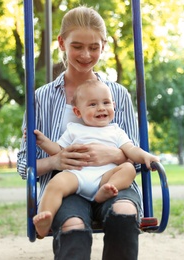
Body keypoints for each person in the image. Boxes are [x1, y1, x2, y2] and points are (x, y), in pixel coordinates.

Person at [17, 6, 144, 259]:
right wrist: (56, 160)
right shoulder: (41, 98)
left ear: (103, 46)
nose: (86, 55)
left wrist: (115, 155)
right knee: (71, 225)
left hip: (112, 181)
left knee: (124, 210)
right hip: (69, 186)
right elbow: (23, 165)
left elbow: (137, 161)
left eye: (94, 47)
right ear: (62, 43)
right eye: (77, 46)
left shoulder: (117, 94)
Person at [31, 79, 159, 238]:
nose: (101, 108)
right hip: (78, 175)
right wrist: (43, 142)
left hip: (105, 178)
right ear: (78, 112)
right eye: (92, 105)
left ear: (114, 105)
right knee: (56, 183)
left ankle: (108, 190)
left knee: (128, 169)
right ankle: (44, 219)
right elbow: (58, 150)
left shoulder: (116, 131)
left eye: (106, 103)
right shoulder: (74, 129)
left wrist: (146, 156)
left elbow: (131, 150)